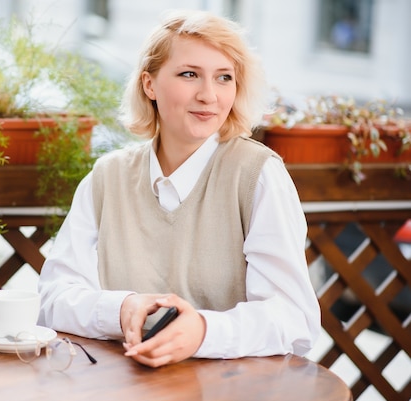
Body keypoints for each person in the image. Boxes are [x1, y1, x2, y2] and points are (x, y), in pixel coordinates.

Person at [37, 10, 321, 368]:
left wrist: (202, 331)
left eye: (224, 78)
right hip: (122, 392)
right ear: (149, 85)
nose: (209, 95)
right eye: (190, 74)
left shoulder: (258, 175)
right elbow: (52, 299)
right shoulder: (107, 177)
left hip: (232, 397)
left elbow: (294, 320)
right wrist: (124, 309)